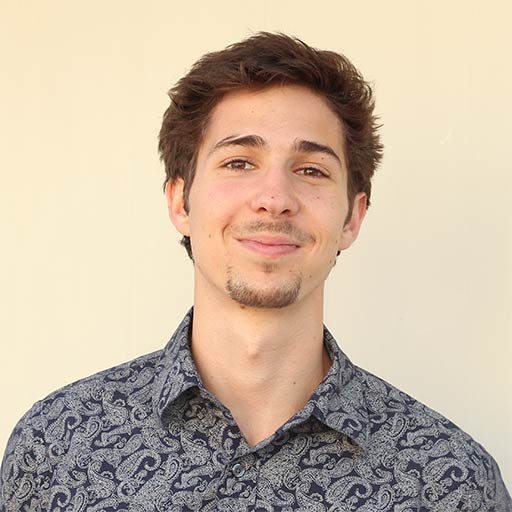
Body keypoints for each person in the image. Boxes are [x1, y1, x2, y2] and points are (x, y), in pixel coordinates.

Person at [1, 32, 510, 512]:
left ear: (352, 218)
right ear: (180, 201)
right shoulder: (57, 445)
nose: (274, 198)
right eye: (240, 162)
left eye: (311, 170)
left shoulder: (451, 482)